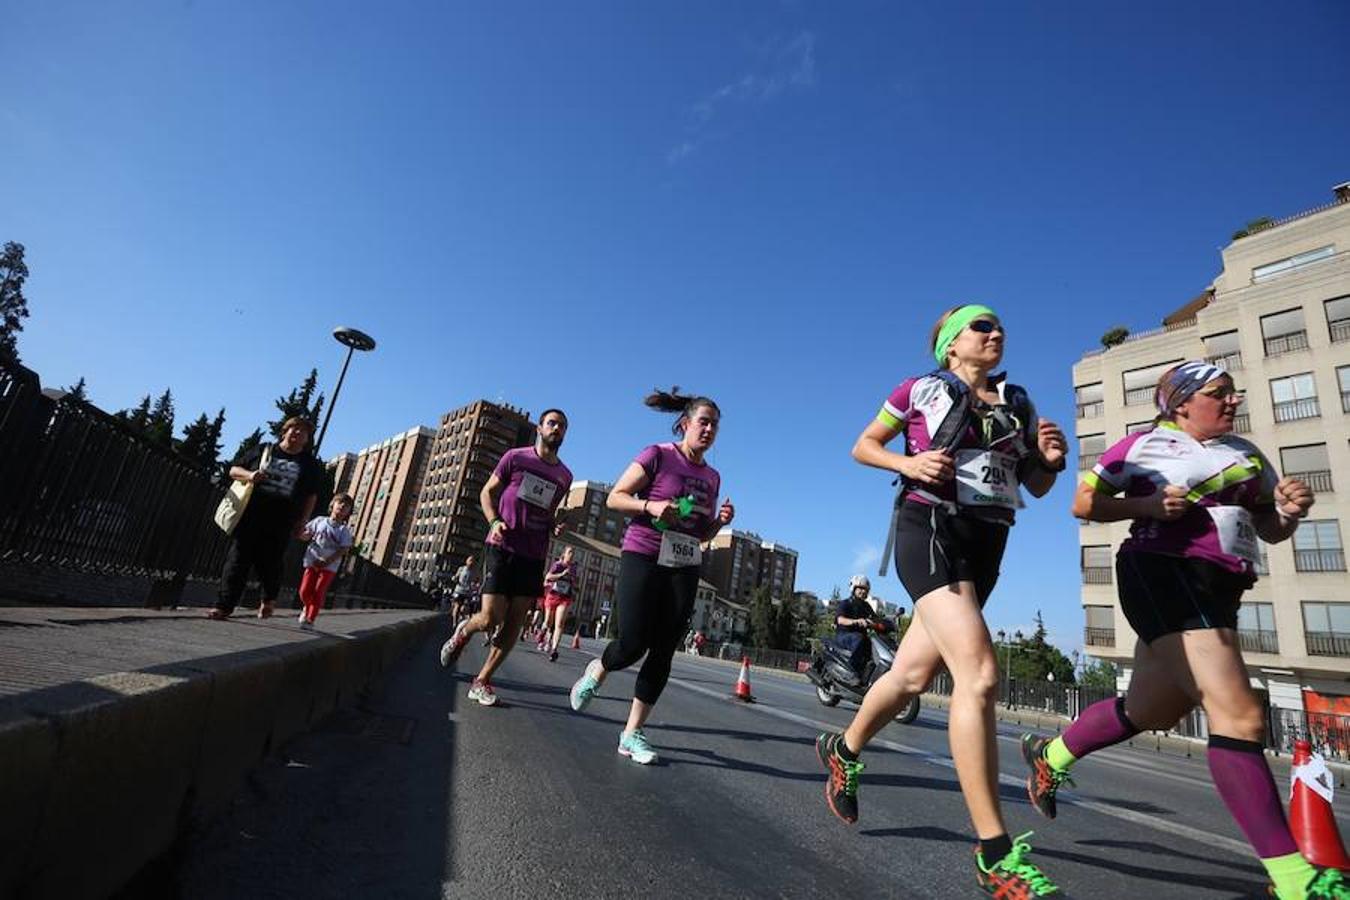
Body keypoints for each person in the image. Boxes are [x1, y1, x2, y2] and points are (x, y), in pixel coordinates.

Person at [1019, 362, 1341, 900]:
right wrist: (1146, 504)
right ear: (1181, 403)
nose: (1233, 400)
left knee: (1152, 710)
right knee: (1238, 712)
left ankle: (1050, 757)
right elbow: (1083, 503)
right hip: (1160, 571)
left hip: (1220, 587)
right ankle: (1294, 879)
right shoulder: (1141, 446)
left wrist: (1289, 512)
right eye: (1220, 393)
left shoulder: (1247, 454)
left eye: (1233, 392)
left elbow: (1269, 529)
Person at [814, 305, 1068, 896]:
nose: (996, 333)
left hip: (987, 545)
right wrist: (908, 460)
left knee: (909, 676)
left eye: (1001, 325)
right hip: (928, 529)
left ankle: (844, 751)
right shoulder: (921, 388)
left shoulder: (1019, 403)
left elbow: (1035, 484)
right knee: (978, 675)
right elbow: (863, 444)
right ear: (952, 346)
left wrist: (1051, 461)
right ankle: (994, 853)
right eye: (982, 327)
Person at [568, 389, 734, 765]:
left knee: (664, 649)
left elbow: (701, 533)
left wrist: (719, 523)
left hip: (686, 562)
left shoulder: (712, 476)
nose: (709, 430)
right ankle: (599, 668)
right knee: (632, 642)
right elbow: (615, 497)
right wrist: (651, 504)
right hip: (644, 552)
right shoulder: (658, 455)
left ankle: (632, 732)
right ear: (685, 423)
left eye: (715, 425)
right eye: (703, 422)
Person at [438, 410, 573, 706]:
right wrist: (493, 521)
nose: (557, 429)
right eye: (552, 423)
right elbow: (488, 492)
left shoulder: (565, 476)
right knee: (490, 618)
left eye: (562, 426)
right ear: (539, 428)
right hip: (502, 544)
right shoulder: (515, 457)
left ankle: (482, 680)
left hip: (534, 553)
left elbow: (548, 513)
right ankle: (465, 630)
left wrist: (555, 525)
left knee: (515, 621)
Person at [209, 417, 323, 621]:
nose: (297, 434)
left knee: (271, 563)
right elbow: (234, 470)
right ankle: (224, 606)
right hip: (250, 514)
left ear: (307, 439)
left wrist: (302, 521)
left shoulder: (309, 464)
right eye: (294, 429)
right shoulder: (264, 450)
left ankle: (268, 599)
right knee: (237, 560)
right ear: (284, 431)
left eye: (303, 432)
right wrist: (250, 475)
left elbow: (311, 495)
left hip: (282, 520)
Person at [296, 493, 355, 629]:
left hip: (329, 566)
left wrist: (328, 561)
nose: (342, 506)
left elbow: (343, 550)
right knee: (304, 591)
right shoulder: (319, 521)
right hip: (312, 561)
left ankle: (310, 619)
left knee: (319, 591)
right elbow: (307, 535)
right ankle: (307, 607)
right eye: (340, 502)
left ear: (348, 512)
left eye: (346, 506)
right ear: (332, 505)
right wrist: (300, 534)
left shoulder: (344, 530)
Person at [826, 574, 889, 684]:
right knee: (859, 638)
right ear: (854, 589)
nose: (863, 591)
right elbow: (840, 620)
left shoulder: (866, 606)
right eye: (860, 588)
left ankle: (868, 676)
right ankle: (851, 671)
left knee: (874, 644)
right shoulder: (846, 603)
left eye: (865, 589)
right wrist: (856, 621)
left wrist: (887, 622)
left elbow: (876, 619)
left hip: (860, 638)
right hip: (844, 636)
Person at [540, 546, 577, 661]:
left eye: (573, 553)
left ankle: (554, 649)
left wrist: (574, 586)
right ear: (564, 554)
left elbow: (574, 583)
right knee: (548, 622)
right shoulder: (558, 565)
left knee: (559, 624)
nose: (571, 555)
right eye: (570, 552)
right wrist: (561, 575)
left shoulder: (573, 568)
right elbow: (548, 577)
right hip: (552, 596)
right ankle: (543, 631)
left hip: (565, 597)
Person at [448, 556, 478, 626]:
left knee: (470, 608)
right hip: (459, 590)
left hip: (468, 592)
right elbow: (456, 576)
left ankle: (469, 621)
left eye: (473, 561)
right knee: (457, 606)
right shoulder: (461, 569)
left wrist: (475, 585)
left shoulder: (475, 571)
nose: (471, 562)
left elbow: (477, 580)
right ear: (466, 561)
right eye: (470, 560)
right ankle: (454, 622)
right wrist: (454, 578)